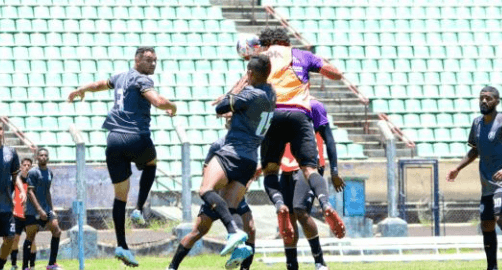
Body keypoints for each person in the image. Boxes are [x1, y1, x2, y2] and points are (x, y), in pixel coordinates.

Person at [67, 47, 177, 267]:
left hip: (114, 140)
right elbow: (157, 100)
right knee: (151, 164)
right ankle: (138, 210)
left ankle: (122, 246)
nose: (153, 64)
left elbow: (99, 85)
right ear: (137, 61)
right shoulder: (141, 80)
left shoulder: (120, 76)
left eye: (155, 60)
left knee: (120, 196)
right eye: (148, 60)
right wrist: (171, 106)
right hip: (136, 136)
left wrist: (82, 90)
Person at [257, 27, 346, 239]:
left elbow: (247, 86)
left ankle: (279, 206)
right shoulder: (302, 55)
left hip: (272, 115)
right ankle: (325, 204)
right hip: (299, 114)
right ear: (285, 41)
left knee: (270, 171)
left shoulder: (261, 59)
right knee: (309, 170)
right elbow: (335, 73)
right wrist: (316, 63)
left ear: (268, 44)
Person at [198, 55, 276, 265]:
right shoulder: (271, 93)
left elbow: (220, 107)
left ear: (249, 74)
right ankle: (240, 247)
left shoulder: (250, 93)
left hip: (232, 153)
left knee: (206, 190)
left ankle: (233, 233)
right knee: (230, 208)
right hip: (250, 159)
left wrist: (234, 91)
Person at [266, 98, 339, 270]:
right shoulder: (276, 106)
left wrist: (334, 170)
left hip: (308, 167)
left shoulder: (314, 106)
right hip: (285, 168)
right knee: (288, 217)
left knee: (300, 210)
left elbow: (329, 139)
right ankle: (292, 265)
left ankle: (320, 262)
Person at [168, 132, 258, 270]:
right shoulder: (219, 144)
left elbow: (254, 171)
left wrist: (247, 182)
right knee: (197, 232)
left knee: (250, 229)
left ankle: (244, 268)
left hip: (236, 197)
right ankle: (172, 267)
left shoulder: (249, 146)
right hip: (217, 198)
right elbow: (207, 170)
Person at [447, 86, 502, 270]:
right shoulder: (477, 123)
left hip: (501, 184)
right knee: (487, 225)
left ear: (497, 101)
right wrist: (457, 168)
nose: (484, 101)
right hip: (486, 184)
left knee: (499, 217)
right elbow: (475, 149)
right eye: (481, 98)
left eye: (488, 98)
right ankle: (492, 267)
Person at [23, 149, 62, 270]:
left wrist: (52, 209)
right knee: (30, 236)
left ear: (48, 158)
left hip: (47, 209)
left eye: (45, 155)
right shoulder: (33, 172)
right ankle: (25, 267)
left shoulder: (50, 172)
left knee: (57, 231)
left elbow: (47, 192)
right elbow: (30, 192)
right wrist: (39, 210)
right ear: (37, 158)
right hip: (33, 210)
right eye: (41, 155)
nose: (43, 157)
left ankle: (51, 264)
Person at [0, 125, 24, 270]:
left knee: (10, 238)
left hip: (6, 205)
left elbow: (16, 177)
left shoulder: (11, 152)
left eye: (0, 129)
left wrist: (21, 190)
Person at [10, 158, 36, 270]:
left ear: (31, 167)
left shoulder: (32, 180)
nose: (26, 167)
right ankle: (14, 264)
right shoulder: (15, 179)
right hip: (17, 215)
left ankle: (32, 265)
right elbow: (8, 193)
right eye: (24, 165)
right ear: (20, 167)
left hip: (29, 215)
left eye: (28, 165)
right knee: (15, 239)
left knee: (32, 240)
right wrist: (12, 202)